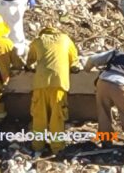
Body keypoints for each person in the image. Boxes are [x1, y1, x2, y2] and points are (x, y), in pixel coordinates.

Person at [26, 27, 79, 155]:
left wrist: (29, 66)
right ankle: (57, 147)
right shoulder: (66, 39)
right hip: (59, 84)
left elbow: (29, 61)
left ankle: (38, 145)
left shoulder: (38, 40)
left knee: (39, 115)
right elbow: (74, 62)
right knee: (57, 116)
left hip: (40, 83)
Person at [84, 50, 124, 148]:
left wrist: (86, 70)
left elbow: (92, 59)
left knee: (103, 113)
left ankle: (106, 141)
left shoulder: (117, 54)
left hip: (102, 82)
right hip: (121, 85)